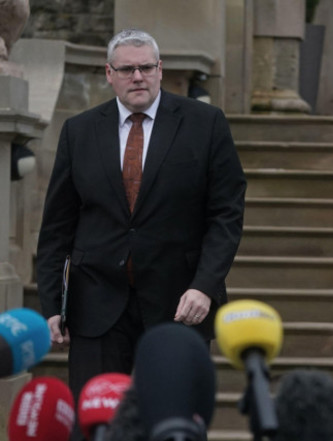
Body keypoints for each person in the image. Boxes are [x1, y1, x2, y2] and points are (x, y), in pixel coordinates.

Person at [36, 29, 246, 439]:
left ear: (160, 70)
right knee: (96, 426)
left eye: (147, 67)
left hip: (178, 303)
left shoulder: (205, 124)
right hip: (95, 304)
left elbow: (226, 215)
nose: (139, 77)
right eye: (128, 69)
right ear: (109, 74)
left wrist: (204, 285)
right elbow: (56, 228)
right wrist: (51, 304)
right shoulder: (79, 131)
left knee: (175, 425)